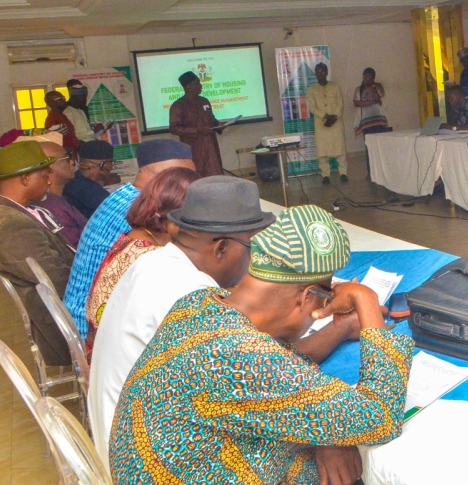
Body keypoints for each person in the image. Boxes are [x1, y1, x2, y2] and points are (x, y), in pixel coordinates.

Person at [109, 205, 410, 485]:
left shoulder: (198, 304)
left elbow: (279, 372)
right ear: (305, 297)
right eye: (324, 301)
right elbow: (382, 417)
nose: (319, 312)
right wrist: (364, 298)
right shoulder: (242, 356)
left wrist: (327, 432)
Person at [88, 176, 276, 462]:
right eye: (251, 248)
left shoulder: (151, 261)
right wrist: (339, 328)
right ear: (221, 248)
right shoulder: (190, 294)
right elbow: (263, 380)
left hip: (124, 438)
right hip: (146, 461)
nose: (252, 261)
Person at [63, 139, 195, 338]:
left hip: (87, 316)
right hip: (93, 330)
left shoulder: (126, 196)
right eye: (188, 178)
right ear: (168, 176)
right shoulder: (142, 209)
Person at [84, 167, 200, 356]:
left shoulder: (133, 239)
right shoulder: (151, 256)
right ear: (176, 218)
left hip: (106, 355)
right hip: (126, 365)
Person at [0, 141, 74, 366]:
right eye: (45, 176)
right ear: (25, 179)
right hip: (62, 326)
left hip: (61, 311)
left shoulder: (5, 211)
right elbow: (59, 282)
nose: (50, 180)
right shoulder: (12, 226)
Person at [169, 71, 224, 177]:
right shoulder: (178, 105)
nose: (201, 86)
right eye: (197, 83)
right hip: (194, 148)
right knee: (197, 176)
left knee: (216, 175)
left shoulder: (204, 101)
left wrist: (218, 125)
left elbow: (211, 119)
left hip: (211, 146)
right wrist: (197, 130)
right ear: (188, 86)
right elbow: (174, 128)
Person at [34, 140, 88, 249]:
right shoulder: (51, 208)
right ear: (49, 167)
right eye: (66, 159)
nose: (72, 162)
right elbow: (76, 249)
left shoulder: (58, 200)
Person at [307, 62, 348, 185]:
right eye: (318, 72)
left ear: (327, 73)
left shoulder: (335, 86)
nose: (320, 74)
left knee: (340, 148)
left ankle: (344, 173)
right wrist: (325, 117)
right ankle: (325, 175)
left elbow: (340, 103)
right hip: (321, 124)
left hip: (336, 122)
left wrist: (334, 117)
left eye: (323, 71)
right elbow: (311, 107)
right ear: (315, 73)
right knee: (322, 151)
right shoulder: (311, 89)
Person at [62, 139, 114, 219]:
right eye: (111, 162)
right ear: (105, 165)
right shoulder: (90, 190)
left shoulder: (74, 181)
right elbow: (117, 211)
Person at [352, 67, 388, 136]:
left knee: (380, 142)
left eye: (369, 78)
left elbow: (380, 101)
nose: (366, 80)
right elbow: (356, 103)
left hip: (379, 120)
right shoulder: (359, 89)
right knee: (369, 143)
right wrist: (369, 103)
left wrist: (373, 89)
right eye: (365, 77)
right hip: (366, 122)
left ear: (373, 78)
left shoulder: (378, 87)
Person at [43, 90, 79, 155]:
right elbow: (58, 142)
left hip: (73, 152)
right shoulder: (52, 119)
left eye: (63, 97)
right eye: (60, 98)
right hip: (65, 155)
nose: (64, 99)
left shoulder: (62, 115)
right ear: (51, 103)